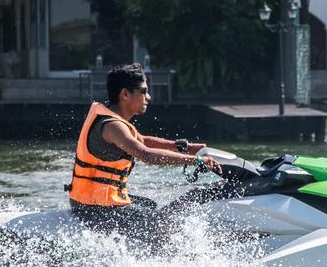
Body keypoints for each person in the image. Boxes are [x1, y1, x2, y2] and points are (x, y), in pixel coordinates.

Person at [66, 63, 219, 237]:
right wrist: (196, 160)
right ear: (125, 94)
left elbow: (144, 141)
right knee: (161, 223)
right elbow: (145, 153)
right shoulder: (112, 126)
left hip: (93, 203)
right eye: (144, 91)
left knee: (149, 206)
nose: (149, 97)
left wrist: (187, 147)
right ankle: (162, 261)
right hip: (95, 209)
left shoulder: (114, 120)